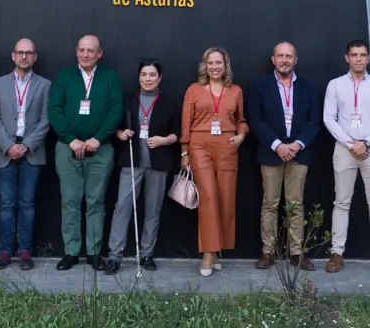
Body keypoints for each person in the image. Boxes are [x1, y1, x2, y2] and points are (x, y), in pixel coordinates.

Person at [48, 34, 123, 271]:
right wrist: (71, 139)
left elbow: (115, 112)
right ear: (76, 51)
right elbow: (54, 110)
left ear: (99, 53)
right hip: (67, 149)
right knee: (70, 201)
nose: (85, 55)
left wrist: (97, 139)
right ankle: (71, 252)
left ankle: (93, 253)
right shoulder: (64, 77)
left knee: (96, 202)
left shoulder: (110, 78)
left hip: (99, 151)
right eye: (81, 50)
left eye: (90, 51)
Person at [323, 39, 370, 277]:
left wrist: (366, 143)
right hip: (344, 149)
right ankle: (336, 253)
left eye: (362, 55)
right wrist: (351, 144)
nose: (358, 59)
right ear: (347, 57)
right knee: (341, 203)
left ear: (368, 58)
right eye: (354, 55)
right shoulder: (335, 85)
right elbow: (329, 119)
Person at [247, 41, 320, 271]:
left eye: (289, 56)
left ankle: (297, 253)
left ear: (295, 60)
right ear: (273, 60)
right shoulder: (260, 85)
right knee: (270, 203)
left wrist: (296, 145)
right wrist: (277, 145)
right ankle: (268, 252)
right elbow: (255, 120)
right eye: (280, 56)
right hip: (271, 153)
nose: (285, 60)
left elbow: (314, 121)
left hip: (299, 154)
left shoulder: (308, 87)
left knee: (295, 204)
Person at [104, 59, 180, 275]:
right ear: (139, 77)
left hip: (158, 163)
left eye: (152, 75)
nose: (148, 79)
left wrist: (164, 141)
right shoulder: (127, 100)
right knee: (122, 207)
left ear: (160, 78)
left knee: (152, 210)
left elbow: (177, 134)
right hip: (131, 161)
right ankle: (114, 256)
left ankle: (146, 254)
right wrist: (121, 134)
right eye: (144, 75)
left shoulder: (169, 102)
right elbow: (115, 128)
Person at [181, 46, 248, 277]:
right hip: (200, 145)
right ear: (205, 65)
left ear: (225, 65)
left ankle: (217, 250)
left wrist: (241, 134)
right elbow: (185, 123)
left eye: (219, 62)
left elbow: (242, 120)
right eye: (211, 63)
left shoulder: (236, 91)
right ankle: (208, 253)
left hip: (228, 146)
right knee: (208, 196)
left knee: (225, 199)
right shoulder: (194, 90)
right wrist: (184, 151)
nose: (215, 67)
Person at [0, 38, 51, 271]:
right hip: (4, 150)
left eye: (29, 53)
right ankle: (4, 252)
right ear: (13, 56)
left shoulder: (45, 85)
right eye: (20, 53)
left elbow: (46, 120)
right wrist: (8, 146)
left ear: (35, 57)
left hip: (31, 151)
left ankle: (25, 252)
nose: (24, 57)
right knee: (6, 204)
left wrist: (25, 146)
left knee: (27, 204)